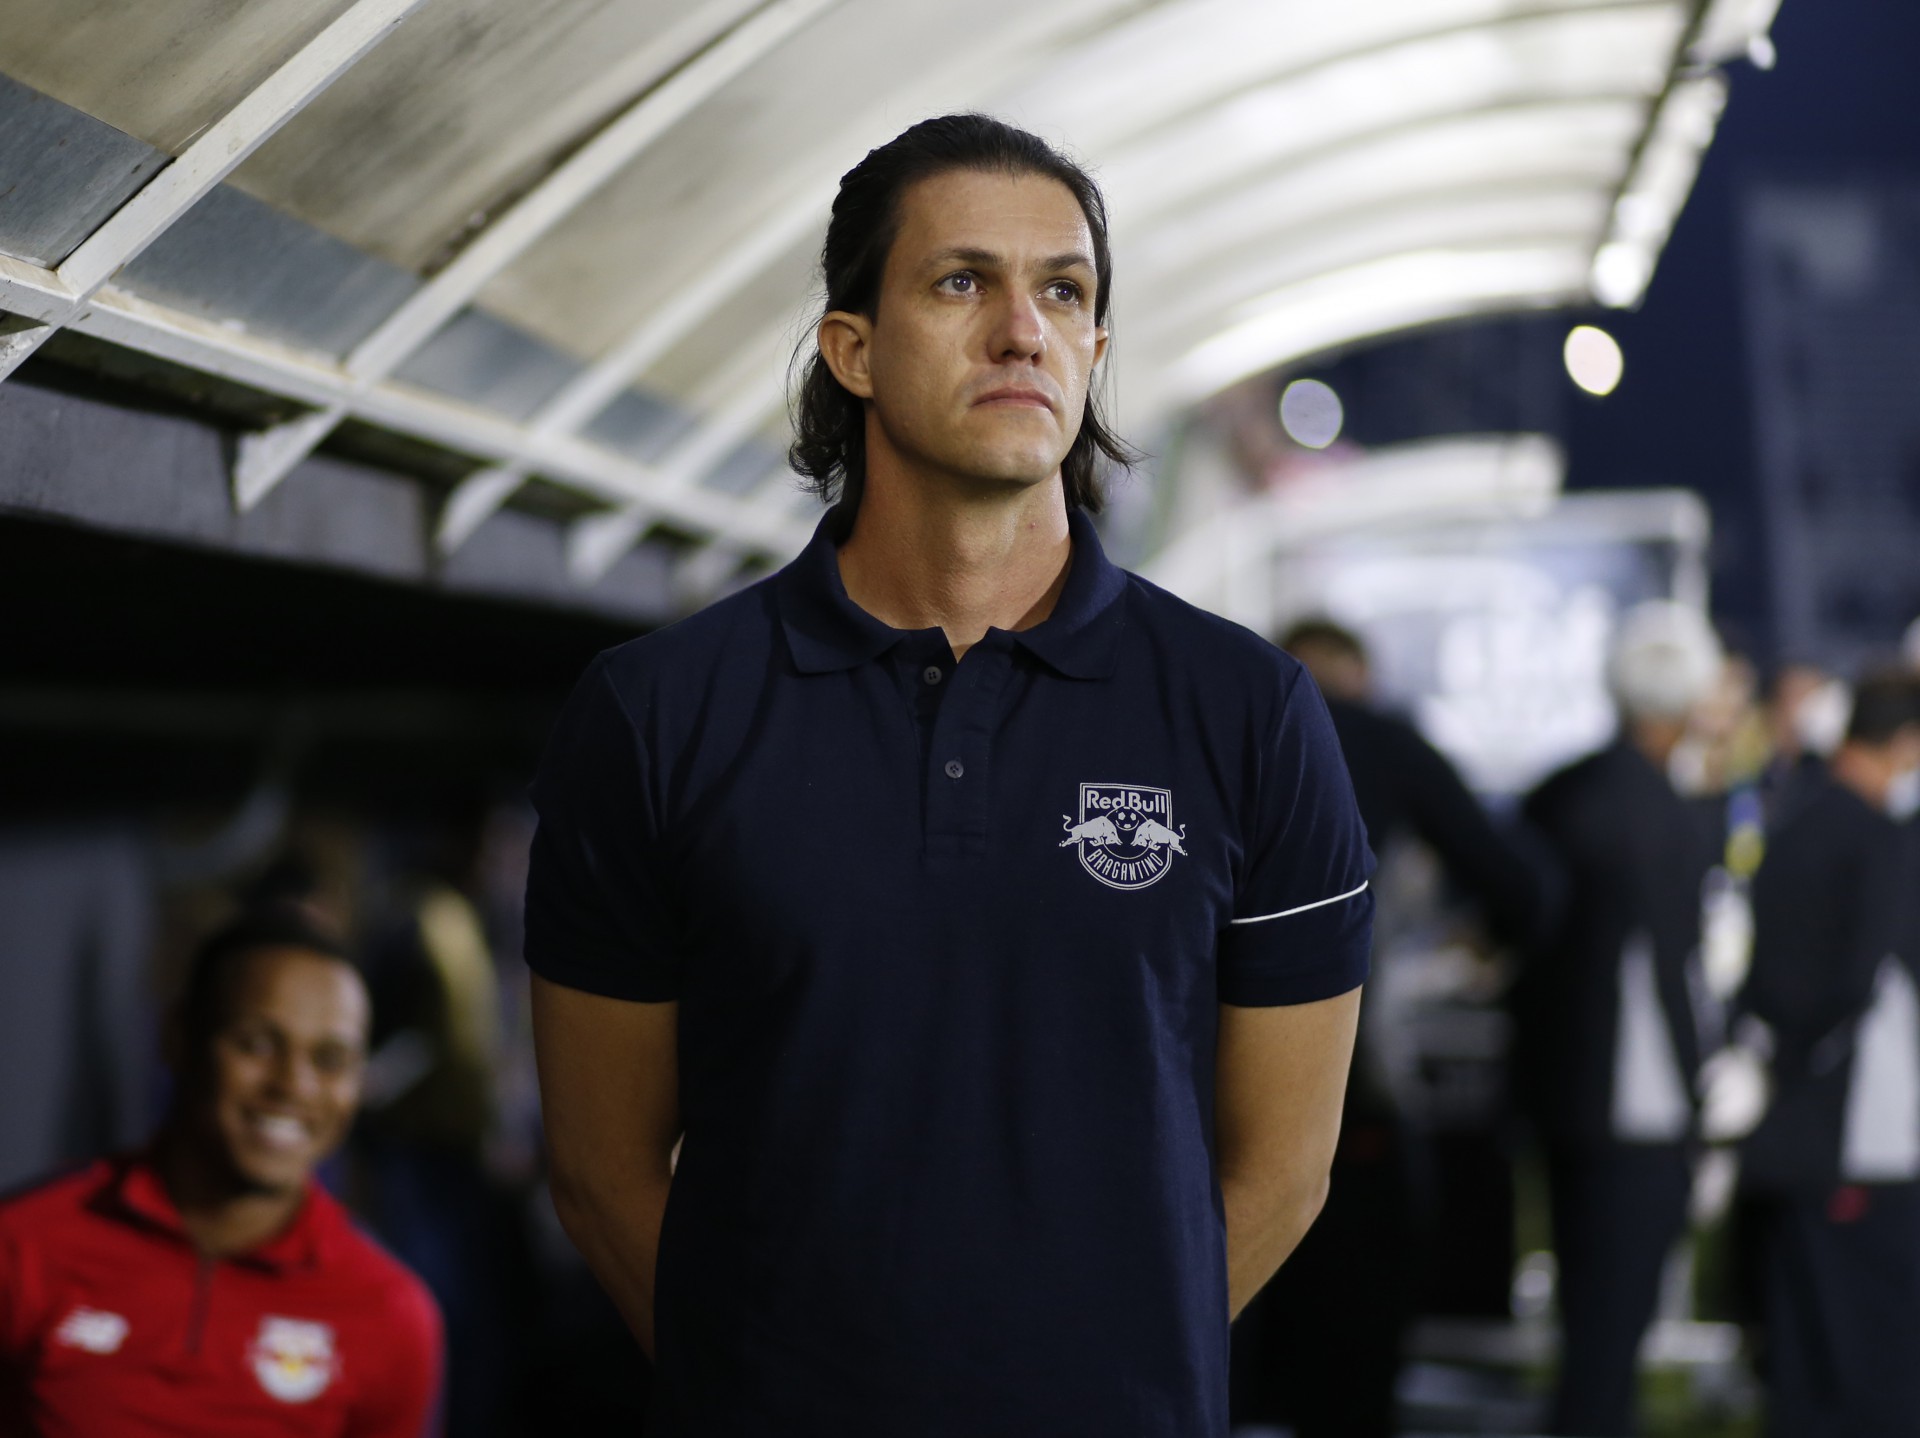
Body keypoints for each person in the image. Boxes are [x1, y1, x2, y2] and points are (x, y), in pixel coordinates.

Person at [525, 113, 1373, 1436]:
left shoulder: (1250, 712)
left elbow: (1286, 1170)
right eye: (963, 280)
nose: (1023, 330)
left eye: (1065, 291)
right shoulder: (656, 713)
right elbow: (598, 1168)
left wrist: (1104, 1393)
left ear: (1096, 351)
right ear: (852, 348)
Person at [1230, 619, 1549, 1437]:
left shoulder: (1218, 722)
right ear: (1358, 677)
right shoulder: (1381, 740)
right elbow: (1522, 886)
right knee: (1353, 1360)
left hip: (1207, 1081)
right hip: (1350, 1078)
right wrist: (1476, 952)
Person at [0, 902, 443, 1436]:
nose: (293, 1086)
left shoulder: (391, 1314)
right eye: (257, 1044)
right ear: (179, 1037)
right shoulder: (23, 1247)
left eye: (330, 1060)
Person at [1513, 600, 1724, 1438]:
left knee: (1584, 1323)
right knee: (1613, 1334)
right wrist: (1702, 1094)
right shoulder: (1673, 815)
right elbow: (1675, 973)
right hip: (1642, 1104)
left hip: (1560, 1092)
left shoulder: (1558, 793)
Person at [1738, 668, 1920, 1436]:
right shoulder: (1876, 838)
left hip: (1797, 1125)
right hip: (1859, 1133)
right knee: (1875, 1362)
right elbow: (1857, 979)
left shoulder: (1795, 821)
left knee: (1805, 1356)